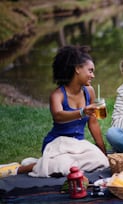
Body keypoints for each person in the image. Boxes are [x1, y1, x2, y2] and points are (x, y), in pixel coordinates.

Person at [0, 45, 109, 178]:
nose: (93, 75)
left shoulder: (89, 91)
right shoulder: (58, 95)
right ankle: (17, 169)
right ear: (77, 69)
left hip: (77, 144)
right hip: (58, 142)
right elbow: (58, 116)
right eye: (90, 71)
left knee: (100, 161)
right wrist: (82, 112)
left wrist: (102, 150)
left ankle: (45, 163)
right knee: (62, 167)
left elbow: (93, 123)